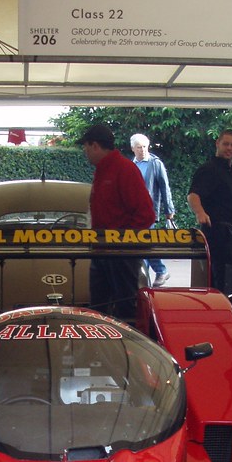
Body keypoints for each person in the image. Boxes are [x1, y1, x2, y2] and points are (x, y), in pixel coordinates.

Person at [80, 123, 155, 322]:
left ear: (95, 146)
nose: (85, 152)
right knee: (99, 309)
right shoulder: (105, 170)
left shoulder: (124, 170)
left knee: (124, 311)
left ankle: (126, 349)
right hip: (104, 252)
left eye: (86, 147)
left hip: (121, 255)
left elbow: (146, 214)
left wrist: (119, 239)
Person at [186, 129, 232, 298]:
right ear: (217, 143)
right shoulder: (209, 169)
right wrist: (200, 213)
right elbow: (193, 195)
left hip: (228, 233)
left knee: (228, 279)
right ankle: (221, 315)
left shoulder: (229, 170)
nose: (229, 148)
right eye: (226, 144)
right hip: (217, 232)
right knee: (221, 279)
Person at [130, 133, 175, 286]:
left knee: (144, 243)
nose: (142, 150)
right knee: (141, 246)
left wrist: (169, 210)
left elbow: (164, 186)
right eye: (139, 147)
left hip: (148, 211)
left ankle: (161, 270)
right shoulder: (131, 164)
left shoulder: (156, 163)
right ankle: (145, 282)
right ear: (133, 149)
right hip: (134, 212)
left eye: (144, 147)